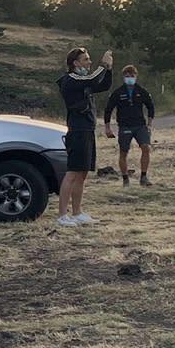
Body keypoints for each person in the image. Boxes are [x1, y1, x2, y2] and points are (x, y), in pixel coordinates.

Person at [55, 44, 114, 226]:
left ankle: (77, 212)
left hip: (87, 130)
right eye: (86, 59)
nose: (89, 62)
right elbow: (94, 78)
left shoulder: (83, 81)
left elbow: (102, 84)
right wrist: (103, 65)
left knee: (82, 173)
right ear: (75, 63)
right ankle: (62, 215)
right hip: (78, 131)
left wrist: (109, 69)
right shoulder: (71, 80)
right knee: (72, 173)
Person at [103, 63, 157, 186]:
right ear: (123, 77)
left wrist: (149, 124)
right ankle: (125, 178)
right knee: (123, 152)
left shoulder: (141, 91)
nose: (130, 78)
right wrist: (107, 127)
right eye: (127, 76)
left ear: (136, 76)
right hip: (125, 126)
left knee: (146, 148)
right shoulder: (118, 92)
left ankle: (144, 177)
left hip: (140, 125)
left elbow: (150, 107)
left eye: (132, 75)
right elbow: (108, 109)